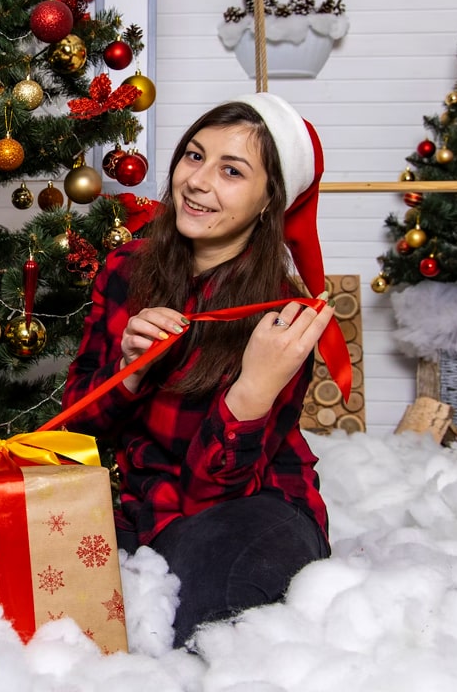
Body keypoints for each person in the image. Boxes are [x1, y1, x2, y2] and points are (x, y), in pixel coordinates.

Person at [62, 93, 350, 648]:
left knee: (213, 611)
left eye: (232, 171)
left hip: (249, 506)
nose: (197, 181)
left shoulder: (285, 316)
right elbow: (77, 427)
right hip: (137, 504)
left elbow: (212, 491)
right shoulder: (127, 268)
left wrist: (253, 390)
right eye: (194, 156)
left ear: (270, 201)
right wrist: (130, 371)